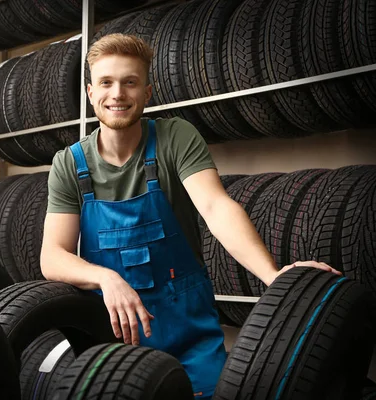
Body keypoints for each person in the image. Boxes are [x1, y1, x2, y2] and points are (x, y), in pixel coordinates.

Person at [39, 33, 341, 398]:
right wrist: (106, 278)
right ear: (90, 92)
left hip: (189, 332)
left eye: (130, 82)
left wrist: (273, 275)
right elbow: (53, 256)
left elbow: (216, 207)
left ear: (146, 93)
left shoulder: (175, 138)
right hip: (112, 338)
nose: (117, 94)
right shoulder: (69, 164)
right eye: (106, 82)